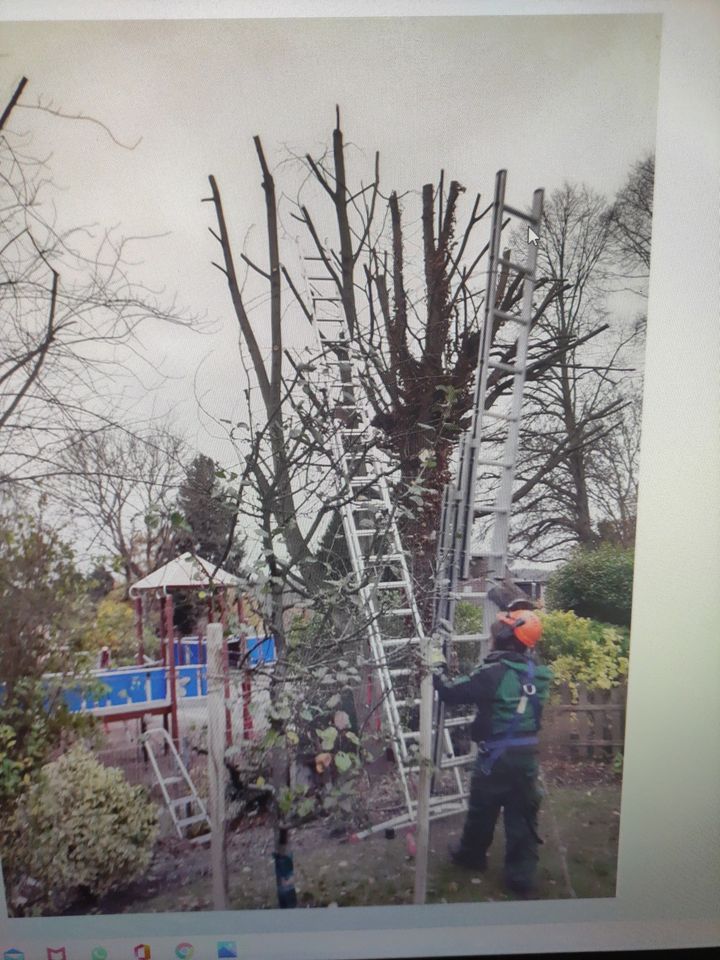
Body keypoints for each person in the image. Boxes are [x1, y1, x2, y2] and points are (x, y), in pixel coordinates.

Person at [432, 599, 552, 898]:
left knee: (482, 809)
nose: (493, 634)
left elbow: (449, 691)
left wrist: (435, 664)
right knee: (522, 815)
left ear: (507, 639)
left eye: (499, 631)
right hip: (526, 758)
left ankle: (471, 856)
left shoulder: (492, 674)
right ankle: (521, 877)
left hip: (495, 758)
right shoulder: (540, 675)